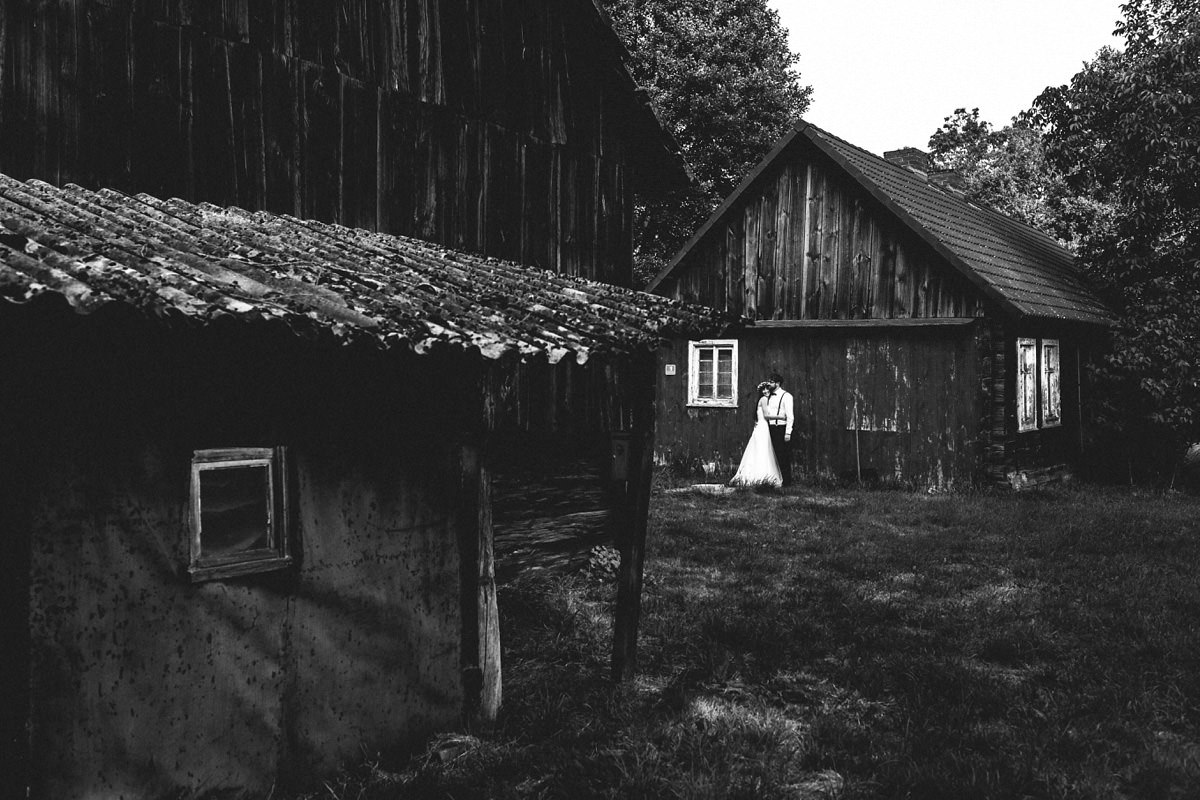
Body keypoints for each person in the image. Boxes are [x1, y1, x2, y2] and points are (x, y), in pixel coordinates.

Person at [729, 381, 783, 487]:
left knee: (762, 450)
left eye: (767, 389)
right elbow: (766, 416)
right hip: (762, 428)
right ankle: (760, 476)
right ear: (761, 392)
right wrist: (780, 417)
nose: (766, 391)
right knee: (762, 450)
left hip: (762, 427)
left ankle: (762, 476)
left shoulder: (763, 400)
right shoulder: (763, 400)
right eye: (764, 390)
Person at [762, 372, 794, 486]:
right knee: (771, 454)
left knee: (783, 455)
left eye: (771, 382)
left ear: (778, 383)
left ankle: (787, 481)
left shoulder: (787, 396)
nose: (769, 384)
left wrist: (788, 432)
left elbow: (790, 416)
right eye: (769, 381)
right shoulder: (767, 396)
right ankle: (773, 479)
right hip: (769, 428)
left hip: (781, 427)